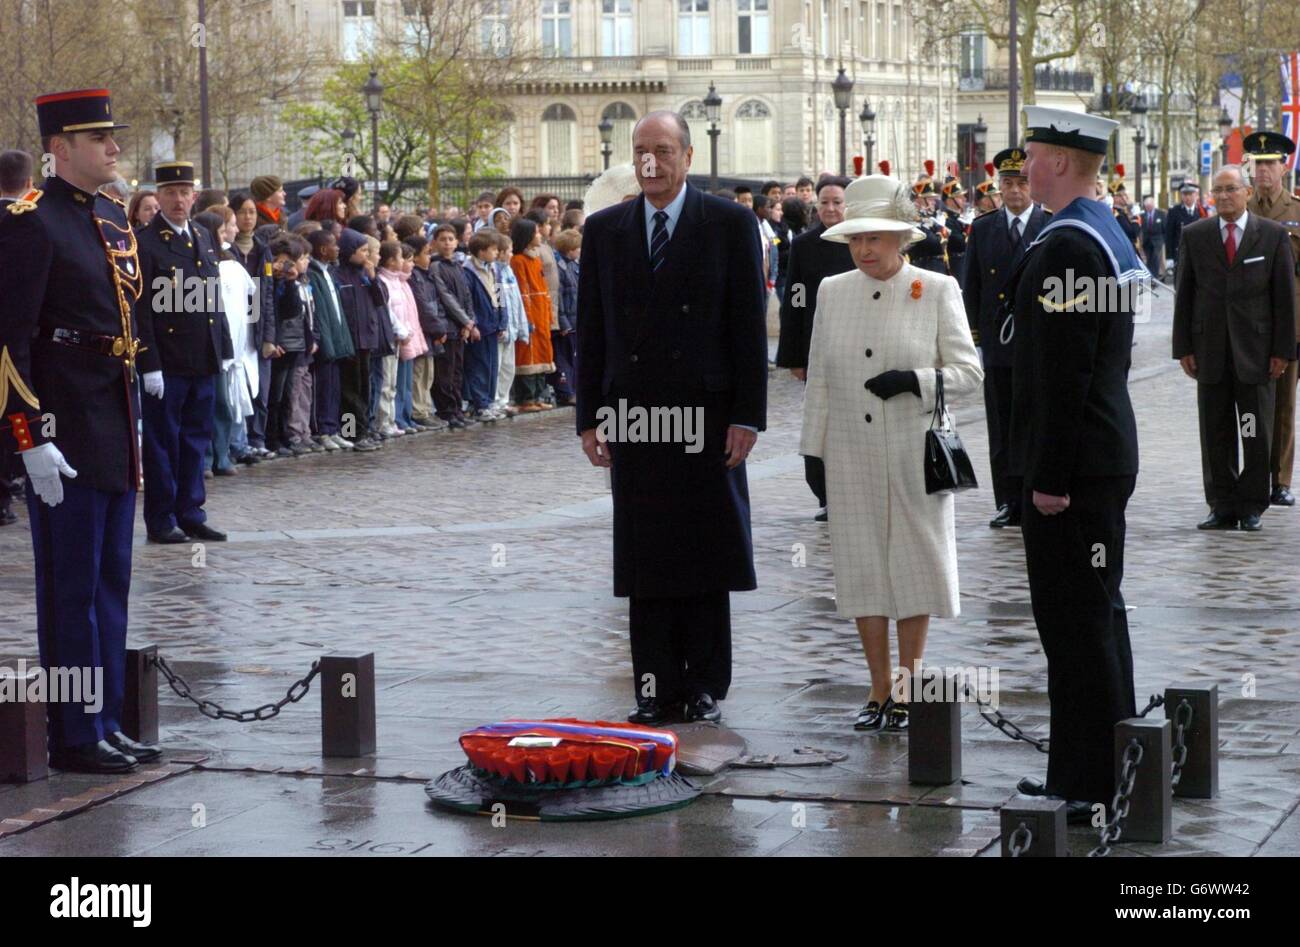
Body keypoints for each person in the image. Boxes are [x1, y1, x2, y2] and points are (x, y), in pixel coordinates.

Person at [576, 110, 767, 726]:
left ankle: (705, 685)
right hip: (634, 415)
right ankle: (655, 687)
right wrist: (589, 418)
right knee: (645, 555)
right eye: (640, 151)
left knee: (705, 549)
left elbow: (746, 328)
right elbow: (594, 330)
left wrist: (747, 415)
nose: (649, 162)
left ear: (687, 156)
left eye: (661, 149)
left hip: (707, 415)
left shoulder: (731, 223)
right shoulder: (606, 229)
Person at [0, 87, 160, 772]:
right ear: (60, 149)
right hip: (63, 419)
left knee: (109, 579)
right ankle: (73, 729)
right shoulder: (27, 222)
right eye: (99, 139)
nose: (114, 148)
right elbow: (9, 339)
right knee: (71, 584)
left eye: (112, 137)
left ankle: (105, 714)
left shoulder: (110, 214)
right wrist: (28, 437)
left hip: (113, 411)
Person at [800, 174, 982, 732]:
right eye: (856, 239)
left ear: (900, 238)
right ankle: (877, 687)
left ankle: (909, 683)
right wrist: (813, 450)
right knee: (861, 572)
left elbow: (970, 372)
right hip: (850, 452)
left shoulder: (936, 289)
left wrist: (916, 380)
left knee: (914, 566)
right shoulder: (833, 291)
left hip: (911, 449)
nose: (864, 250)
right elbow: (821, 380)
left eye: (875, 238)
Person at [1007, 106, 1146, 820]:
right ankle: (1102, 767)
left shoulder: (1067, 246)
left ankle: (1085, 781)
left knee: (1074, 625)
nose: (1024, 167)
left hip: (1078, 464)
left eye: (1032, 155)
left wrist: (1049, 479)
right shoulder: (1102, 230)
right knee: (1097, 617)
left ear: (1061, 161)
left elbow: (1064, 376)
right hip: (1103, 454)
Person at [1173, 164, 1296, 530]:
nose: (1224, 196)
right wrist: (1183, 348)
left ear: (1245, 192)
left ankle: (1252, 504)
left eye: (1230, 189)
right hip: (1209, 349)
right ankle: (1221, 503)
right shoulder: (1195, 235)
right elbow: (1185, 294)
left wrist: (1282, 351)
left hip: (1256, 352)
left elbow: (1284, 300)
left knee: (1254, 429)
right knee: (1215, 429)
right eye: (1218, 190)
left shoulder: (1272, 235)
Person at [135, 160, 233, 543]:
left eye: (184, 192)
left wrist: (221, 345)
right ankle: (161, 518)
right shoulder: (144, 242)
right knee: (163, 442)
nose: (179, 200)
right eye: (171, 193)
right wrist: (150, 364)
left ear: (194, 196)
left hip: (201, 356)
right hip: (168, 360)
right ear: (158, 197)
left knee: (196, 438)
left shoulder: (202, 236)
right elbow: (142, 310)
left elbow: (213, 297)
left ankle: (190, 511)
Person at [961, 147, 1048, 529]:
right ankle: (1008, 500)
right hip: (998, 343)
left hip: (1037, 342)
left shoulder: (1050, 224)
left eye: (1022, 183)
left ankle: (1035, 493)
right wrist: (975, 340)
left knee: (1036, 422)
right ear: (998, 187)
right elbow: (973, 288)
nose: (1015, 191)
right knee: (1001, 425)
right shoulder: (983, 228)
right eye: (1008, 183)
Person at [776, 175, 853, 521]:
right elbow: (794, 301)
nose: (831, 208)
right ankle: (826, 493)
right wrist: (793, 356)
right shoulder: (805, 245)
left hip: (857, 346)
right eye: (824, 202)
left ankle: (855, 489)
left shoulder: (861, 240)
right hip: (816, 347)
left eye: (837, 202)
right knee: (821, 425)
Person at [1243, 130, 1300, 507]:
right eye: (1258, 164)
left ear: (1283, 167)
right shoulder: (1241, 209)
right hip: (1247, 324)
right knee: (1249, 405)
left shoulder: (1296, 211)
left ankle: (1279, 479)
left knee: (1282, 405)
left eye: (1270, 164)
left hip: (1288, 323)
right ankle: (1252, 474)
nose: (1263, 171)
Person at [193, 208, 256, 476]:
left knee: (224, 404)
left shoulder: (230, 264)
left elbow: (247, 301)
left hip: (225, 342)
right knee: (206, 404)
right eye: (220, 231)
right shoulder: (198, 265)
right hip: (203, 345)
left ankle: (222, 454)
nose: (226, 236)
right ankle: (205, 459)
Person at [227, 189, 275, 460]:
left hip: (256, 323)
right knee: (238, 383)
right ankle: (239, 440)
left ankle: (257, 437)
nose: (248, 217)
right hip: (236, 321)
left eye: (252, 212)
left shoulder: (262, 249)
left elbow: (266, 293)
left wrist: (269, 335)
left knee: (260, 386)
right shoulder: (227, 250)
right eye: (242, 212)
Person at [333, 228, 384, 451]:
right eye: (361, 250)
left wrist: (373, 279)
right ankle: (351, 432)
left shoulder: (365, 274)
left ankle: (363, 427)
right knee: (349, 390)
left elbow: (381, 300)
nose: (366, 255)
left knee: (365, 388)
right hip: (349, 340)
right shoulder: (338, 275)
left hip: (366, 339)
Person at [305, 229, 357, 448]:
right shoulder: (314, 274)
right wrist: (326, 341)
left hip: (336, 342)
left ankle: (334, 427)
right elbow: (320, 314)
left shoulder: (328, 272)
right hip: (325, 344)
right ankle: (322, 430)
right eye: (333, 244)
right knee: (323, 388)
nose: (338, 248)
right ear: (323, 249)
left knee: (335, 388)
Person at [429, 223, 476, 429]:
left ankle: (457, 408)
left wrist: (470, 321)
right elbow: (445, 296)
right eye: (443, 239)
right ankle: (446, 410)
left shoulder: (457, 265)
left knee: (457, 370)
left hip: (461, 327)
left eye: (450, 239)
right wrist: (464, 320)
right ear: (434, 243)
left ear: (457, 242)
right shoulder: (436, 266)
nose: (447, 243)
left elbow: (466, 295)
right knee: (445, 372)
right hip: (448, 325)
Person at [509, 216, 556, 411]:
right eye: (535, 232)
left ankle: (537, 395)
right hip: (531, 315)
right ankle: (526, 398)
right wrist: (527, 318)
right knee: (527, 355)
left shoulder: (535, 260)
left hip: (541, 313)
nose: (539, 235)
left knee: (541, 353)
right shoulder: (519, 261)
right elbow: (523, 291)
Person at [462, 229, 505, 421]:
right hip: (481, 326)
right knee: (479, 365)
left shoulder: (494, 269)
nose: (496, 253)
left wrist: (503, 320)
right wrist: (474, 325)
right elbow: (468, 301)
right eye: (493, 250)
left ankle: (489, 400)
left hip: (493, 324)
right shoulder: (468, 272)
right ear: (481, 252)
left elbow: (500, 295)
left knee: (492, 366)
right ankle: (480, 403)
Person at [550, 227, 581, 406]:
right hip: (566, 322)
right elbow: (559, 297)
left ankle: (574, 389)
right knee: (564, 358)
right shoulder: (559, 268)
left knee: (574, 357)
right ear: (570, 249)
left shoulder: (573, 265)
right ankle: (565, 391)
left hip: (575, 320)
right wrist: (563, 322)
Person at [1165, 182, 1202, 269]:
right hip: (1180, 253)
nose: (1187, 197)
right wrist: (1169, 257)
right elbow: (1169, 235)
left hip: (1198, 253)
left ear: (1196, 195)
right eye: (1185, 194)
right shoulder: (1174, 211)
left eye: (1190, 194)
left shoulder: (1201, 211)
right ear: (1181, 196)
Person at [1139, 195, 1166, 279]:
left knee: (1155, 258)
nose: (1148, 208)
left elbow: (1165, 228)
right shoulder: (1142, 215)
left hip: (1157, 241)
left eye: (1149, 206)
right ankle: (1150, 276)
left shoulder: (1161, 214)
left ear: (1153, 205)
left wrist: (1163, 240)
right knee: (1149, 259)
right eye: (1146, 206)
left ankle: (1155, 277)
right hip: (1147, 241)